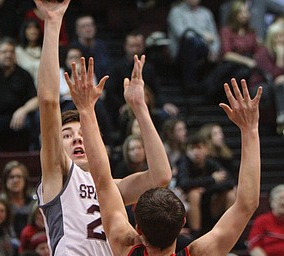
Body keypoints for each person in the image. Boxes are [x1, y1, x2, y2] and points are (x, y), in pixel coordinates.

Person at [72, 46, 262, 256]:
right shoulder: (199, 253)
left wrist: (86, 110)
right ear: (183, 224)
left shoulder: (124, 247)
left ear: (138, 230)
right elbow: (247, 203)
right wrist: (250, 130)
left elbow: (102, 180)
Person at [34, 1, 171, 255]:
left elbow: (160, 176)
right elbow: (49, 101)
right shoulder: (58, 175)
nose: (77, 139)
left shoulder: (112, 187)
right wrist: (52, 24)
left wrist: (140, 107)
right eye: (67, 135)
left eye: (82, 134)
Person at [204, 0, 260, 103]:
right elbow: (227, 54)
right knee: (241, 72)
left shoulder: (251, 32)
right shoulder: (227, 31)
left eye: (246, 12)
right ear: (234, 14)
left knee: (247, 72)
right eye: (241, 12)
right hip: (230, 67)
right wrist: (247, 61)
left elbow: (256, 51)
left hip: (246, 69)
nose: (244, 15)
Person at [105, 31, 160, 127]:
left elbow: (155, 90)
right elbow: (110, 91)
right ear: (125, 46)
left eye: (138, 46)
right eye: (132, 46)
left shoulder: (149, 68)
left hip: (147, 106)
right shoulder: (116, 68)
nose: (135, 49)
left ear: (143, 47)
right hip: (122, 106)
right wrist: (123, 105)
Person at [167, 0, 220, 93]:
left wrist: (214, 50)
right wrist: (203, 35)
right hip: (181, 52)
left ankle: (207, 88)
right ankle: (190, 85)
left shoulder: (206, 13)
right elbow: (182, 34)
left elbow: (214, 36)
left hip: (204, 50)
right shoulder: (176, 12)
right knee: (191, 42)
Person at [249, 20, 284, 135]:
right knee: (278, 83)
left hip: (277, 86)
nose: (281, 39)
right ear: (271, 38)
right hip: (261, 86)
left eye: (283, 36)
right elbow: (271, 75)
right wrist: (279, 58)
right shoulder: (263, 53)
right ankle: (281, 116)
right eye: (278, 36)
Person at [0, 160, 37, 240]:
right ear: (5, 181)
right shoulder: (0, 202)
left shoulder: (35, 200)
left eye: (19, 177)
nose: (15, 180)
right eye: (11, 177)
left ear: (25, 180)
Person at [247, 184, 284, 256]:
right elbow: (254, 246)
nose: (283, 202)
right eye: (280, 199)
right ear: (271, 202)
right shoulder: (262, 221)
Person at [72, 14, 111, 81]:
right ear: (77, 30)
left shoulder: (102, 46)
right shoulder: (72, 48)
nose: (88, 29)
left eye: (90, 25)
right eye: (83, 26)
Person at [15, 19, 43, 88]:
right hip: (24, 89)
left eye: (35, 28)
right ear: (24, 31)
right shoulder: (18, 51)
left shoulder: (45, 50)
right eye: (29, 28)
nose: (33, 31)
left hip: (43, 89)